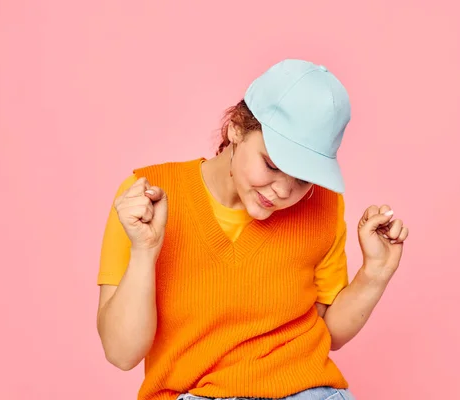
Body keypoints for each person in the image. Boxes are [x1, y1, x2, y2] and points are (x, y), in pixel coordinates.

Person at [96, 59, 409, 400]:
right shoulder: (147, 198)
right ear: (235, 129)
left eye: (304, 179)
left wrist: (375, 273)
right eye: (272, 165)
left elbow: (327, 334)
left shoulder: (322, 206)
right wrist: (144, 251)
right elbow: (121, 353)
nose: (284, 191)